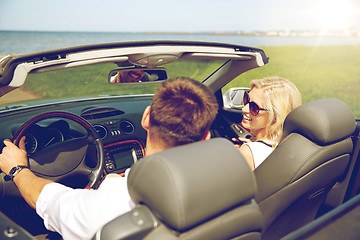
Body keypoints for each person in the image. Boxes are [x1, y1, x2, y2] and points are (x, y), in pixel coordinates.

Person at [0, 77, 219, 239]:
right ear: (206, 137)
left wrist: (18, 169)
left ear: (145, 117)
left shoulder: (115, 204)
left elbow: (51, 203)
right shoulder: (224, 181)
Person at [233, 77, 301, 170]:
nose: (244, 109)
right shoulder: (293, 148)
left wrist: (246, 151)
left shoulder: (247, 152)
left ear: (275, 115)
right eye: (246, 100)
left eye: (254, 107)